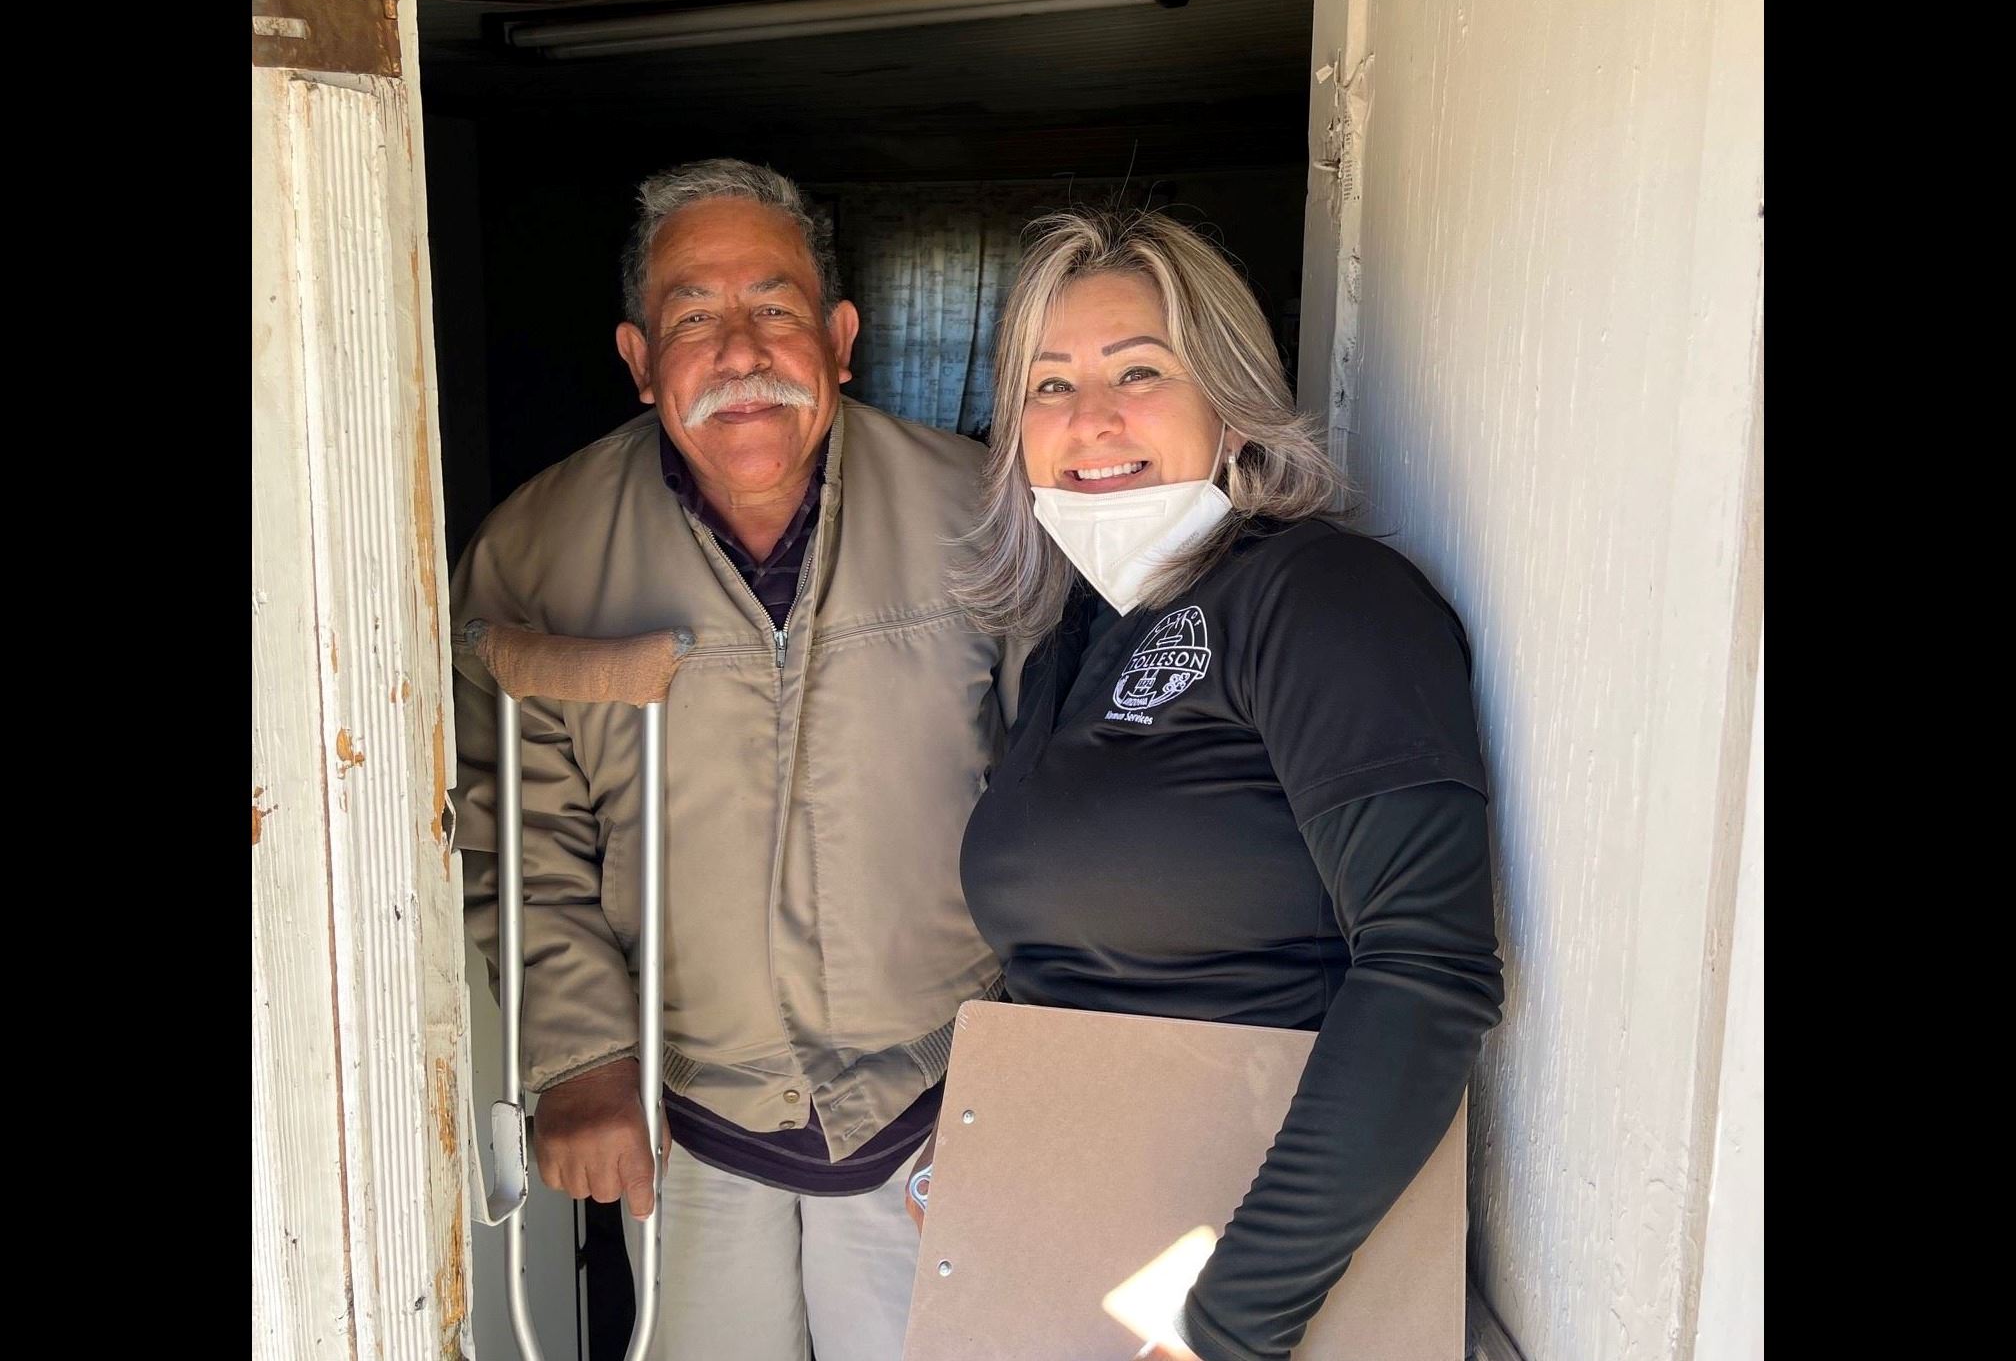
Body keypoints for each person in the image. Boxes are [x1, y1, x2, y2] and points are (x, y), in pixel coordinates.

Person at [451, 158, 1016, 1361]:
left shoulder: (987, 515)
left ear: (842, 336)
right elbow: (515, 831)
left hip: (944, 1096)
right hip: (681, 1109)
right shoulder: (538, 549)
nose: (740, 348)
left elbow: (1067, 809)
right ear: (640, 359)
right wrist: (582, 1053)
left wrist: (1044, 1063)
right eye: (693, 315)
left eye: (775, 305)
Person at [940, 207, 1505, 1361]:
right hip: (1068, 1246)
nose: (1089, 420)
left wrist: (1227, 1324)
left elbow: (1426, 972)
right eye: (1047, 386)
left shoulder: (1326, 601)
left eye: (1138, 371)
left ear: (1231, 394)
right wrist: (986, 1156)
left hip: (1255, 1277)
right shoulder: (1073, 645)